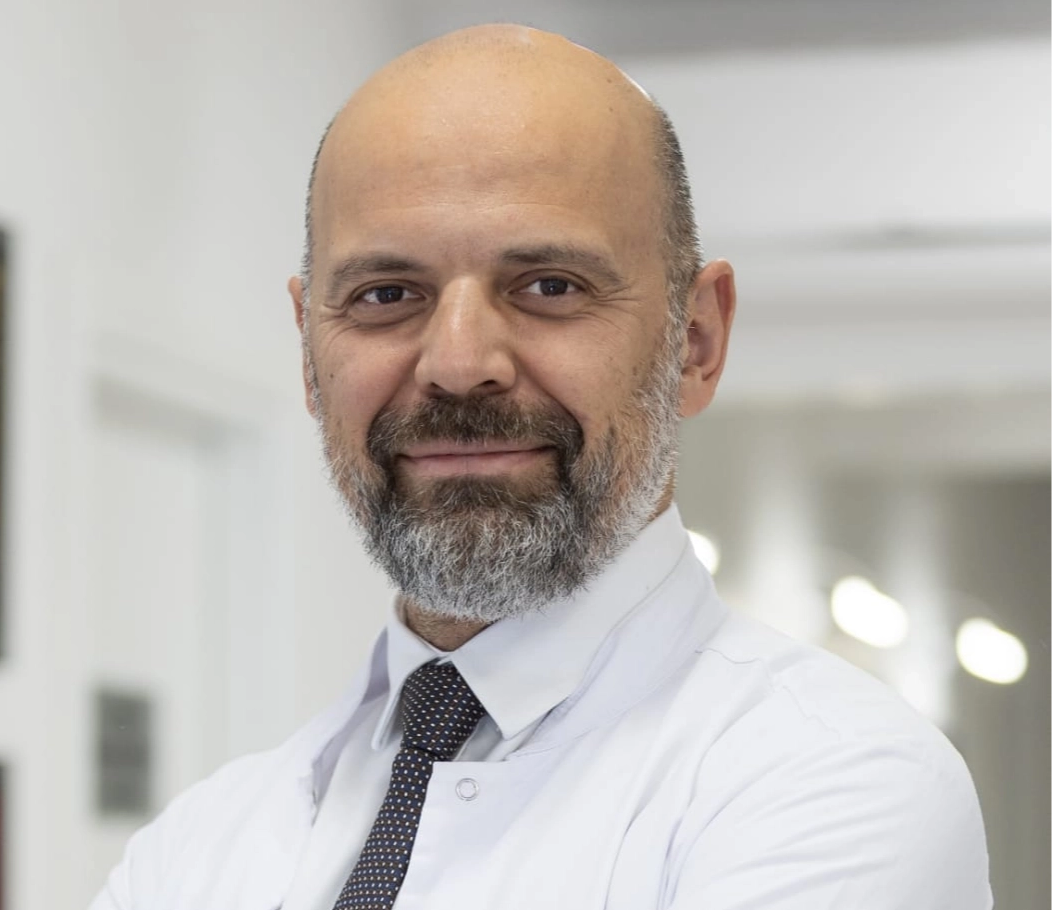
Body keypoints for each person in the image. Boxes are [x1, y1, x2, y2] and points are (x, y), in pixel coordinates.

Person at [90, 24, 991, 910]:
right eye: (385, 295)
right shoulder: (197, 844)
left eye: (549, 286)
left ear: (695, 341)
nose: (457, 363)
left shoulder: (837, 783)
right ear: (306, 352)